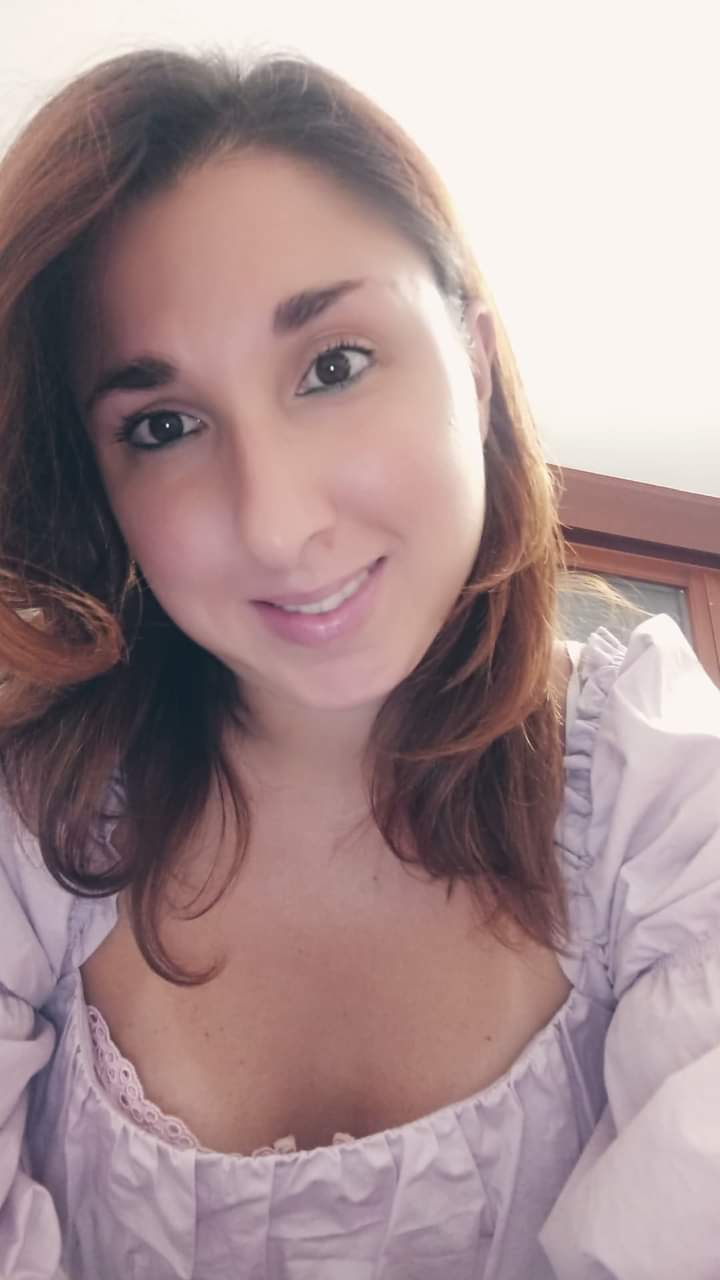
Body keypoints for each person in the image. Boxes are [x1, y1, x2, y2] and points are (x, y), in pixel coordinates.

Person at [0, 46, 718, 1280]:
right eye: (162, 424)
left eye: (332, 365)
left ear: (474, 369)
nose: (277, 522)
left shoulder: (662, 796)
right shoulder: (33, 827)